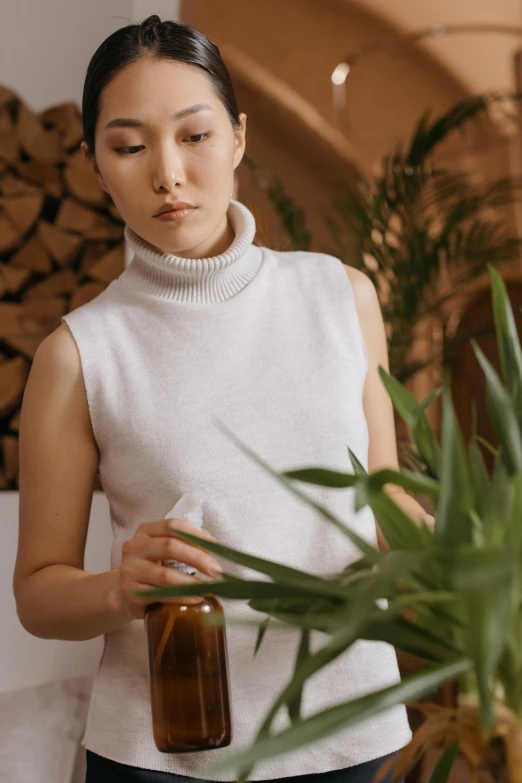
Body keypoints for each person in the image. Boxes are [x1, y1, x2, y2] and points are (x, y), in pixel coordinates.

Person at [13, 14, 432, 783]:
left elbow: (382, 495)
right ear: (95, 163)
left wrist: (455, 550)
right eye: (130, 146)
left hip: (348, 731)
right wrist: (117, 586)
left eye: (195, 135)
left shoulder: (341, 295)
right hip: (169, 753)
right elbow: (38, 593)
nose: (167, 172)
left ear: (238, 137)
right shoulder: (78, 353)